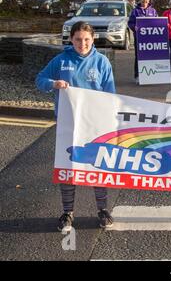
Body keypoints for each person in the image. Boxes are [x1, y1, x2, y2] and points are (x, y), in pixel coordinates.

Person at [35, 21, 116, 232]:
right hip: (68, 125)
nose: (83, 43)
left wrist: (109, 119)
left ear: (93, 39)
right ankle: (68, 212)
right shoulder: (61, 60)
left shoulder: (102, 63)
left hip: (95, 124)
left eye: (87, 39)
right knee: (68, 167)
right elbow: (40, 79)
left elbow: (110, 95)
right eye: (78, 39)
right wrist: (53, 84)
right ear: (71, 39)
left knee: (97, 166)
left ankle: (103, 210)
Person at [128, 0, 158, 84]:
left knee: (150, 57)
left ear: (148, 1)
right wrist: (134, 27)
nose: (144, 2)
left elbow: (157, 22)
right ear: (140, 1)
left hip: (151, 39)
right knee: (138, 57)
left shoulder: (153, 11)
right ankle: (137, 76)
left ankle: (150, 75)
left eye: (146, 1)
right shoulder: (135, 11)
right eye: (143, 1)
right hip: (139, 39)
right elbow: (130, 23)